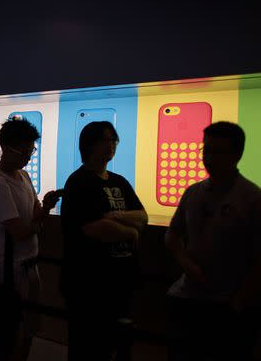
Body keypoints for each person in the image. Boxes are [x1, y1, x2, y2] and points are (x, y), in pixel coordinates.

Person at [165, 121, 261, 361]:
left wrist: (239, 302)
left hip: (231, 306)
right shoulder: (193, 193)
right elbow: (172, 234)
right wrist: (186, 264)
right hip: (189, 299)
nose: (209, 158)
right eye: (206, 150)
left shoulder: (256, 200)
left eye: (218, 151)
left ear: (237, 154)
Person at [60, 121, 147, 361]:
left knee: (116, 346)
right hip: (88, 283)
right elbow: (94, 228)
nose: (111, 145)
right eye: (104, 140)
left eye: (113, 140)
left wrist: (117, 216)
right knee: (88, 348)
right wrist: (130, 233)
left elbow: (142, 216)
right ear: (89, 145)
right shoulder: (79, 182)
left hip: (120, 281)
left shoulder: (120, 181)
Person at [0, 117, 61, 361]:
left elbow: (34, 214)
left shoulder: (24, 177)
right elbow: (18, 231)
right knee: (12, 332)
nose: (29, 157)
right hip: (10, 269)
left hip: (29, 264)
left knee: (28, 328)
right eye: (25, 151)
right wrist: (38, 223)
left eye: (32, 151)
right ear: (6, 149)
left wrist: (46, 207)